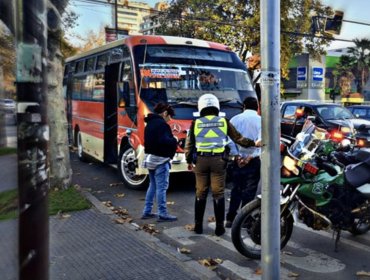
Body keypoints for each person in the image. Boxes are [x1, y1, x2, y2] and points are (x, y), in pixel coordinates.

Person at [185, 94, 261, 236]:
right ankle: (219, 228)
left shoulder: (196, 123)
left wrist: (189, 161)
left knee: (200, 193)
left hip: (201, 161)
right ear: (216, 106)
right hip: (219, 161)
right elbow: (238, 138)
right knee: (218, 193)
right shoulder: (223, 121)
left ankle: (198, 226)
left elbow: (189, 145)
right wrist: (254, 143)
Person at [225, 97, 261, 228]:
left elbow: (229, 140)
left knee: (236, 189)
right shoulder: (260, 121)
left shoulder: (234, 119)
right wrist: (250, 157)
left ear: (244, 106)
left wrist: (237, 156)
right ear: (257, 107)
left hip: (237, 160)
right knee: (249, 191)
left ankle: (230, 218)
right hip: (254, 161)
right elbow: (262, 142)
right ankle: (245, 220)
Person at [141, 103, 178, 222]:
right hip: (161, 159)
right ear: (165, 113)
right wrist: (174, 140)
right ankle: (163, 213)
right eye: (169, 116)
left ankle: (147, 211)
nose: (170, 119)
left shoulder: (150, 123)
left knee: (152, 185)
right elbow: (165, 141)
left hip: (150, 158)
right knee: (162, 188)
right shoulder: (162, 125)